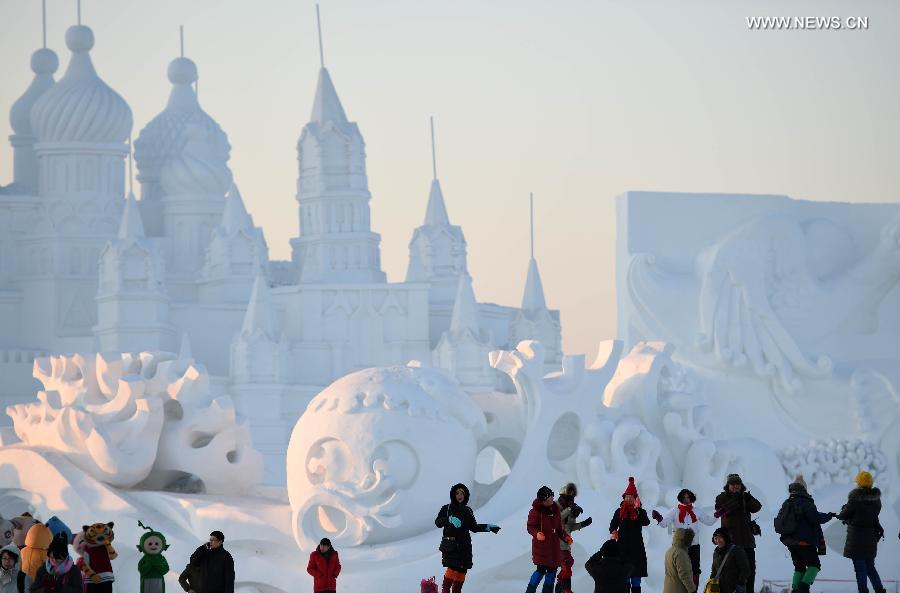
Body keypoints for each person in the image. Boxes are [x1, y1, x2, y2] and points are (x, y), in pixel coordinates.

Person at [434, 483, 500, 593]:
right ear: (453, 495)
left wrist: (487, 527)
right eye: (457, 493)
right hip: (451, 547)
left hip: (465, 548)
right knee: (449, 577)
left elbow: (474, 527)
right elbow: (438, 522)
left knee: (461, 574)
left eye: (462, 493)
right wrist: (449, 519)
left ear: (466, 495)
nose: (460, 495)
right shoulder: (446, 508)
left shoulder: (468, 510)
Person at [774, 477, 833, 593]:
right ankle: (804, 588)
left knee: (799, 568)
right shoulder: (806, 501)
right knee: (814, 565)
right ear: (804, 488)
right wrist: (828, 516)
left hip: (791, 542)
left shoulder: (787, 502)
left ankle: (795, 589)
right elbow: (815, 518)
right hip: (805, 542)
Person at [652, 489, 716, 589]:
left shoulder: (696, 511)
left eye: (688, 497)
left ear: (692, 498)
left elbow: (709, 521)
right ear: (680, 498)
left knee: (695, 569)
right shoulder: (674, 511)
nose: (686, 499)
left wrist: (718, 514)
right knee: (680, 569)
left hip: (694, 545)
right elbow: (664, 524)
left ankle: (694, 589)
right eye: (684, 497)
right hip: (679, 547)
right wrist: (659, 518)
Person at [836, 471, 886, 593]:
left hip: (856, 539)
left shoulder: (855, 498)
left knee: (860, 569)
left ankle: (863, 591)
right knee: (870, 568)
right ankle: (880, 590)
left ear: (859, 483)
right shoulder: (876, 500)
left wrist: (844, 509)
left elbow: (843, 515)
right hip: (870, 538)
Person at [714, 474, 761, 593]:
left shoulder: (745, 497)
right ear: (728, 486)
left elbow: (757, 507)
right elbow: (720, 510)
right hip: (731, 544)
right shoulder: (722, 497)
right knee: (731, 573)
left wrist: (748, 499)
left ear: (741, 485)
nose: (735, 486)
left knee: (749, 572)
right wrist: (735, 499)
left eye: (737, 484)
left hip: (747, 543)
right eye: (732, 484)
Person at [526, 486, 570, 593]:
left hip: (554, 548)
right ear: (543, 500)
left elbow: (559, 528)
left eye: (551, 497)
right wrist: (537, 534)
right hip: (541, 548)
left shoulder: (555, 510)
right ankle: (530, 591)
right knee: (540, 571)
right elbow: (530, 526)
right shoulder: (536, 511)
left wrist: (565, 537)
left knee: (552, 572)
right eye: (548, 498)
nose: (551, 500)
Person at [609, 477, 650, 593]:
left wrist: (638, 510)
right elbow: (613, 524)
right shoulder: (619, 512)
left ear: (635, 499)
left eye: (631, 497)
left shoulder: (640, 512)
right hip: (622, 549)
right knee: (624, 579)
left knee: (636, 580)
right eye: (627, 497)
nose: (628, 499)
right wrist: (613, 531)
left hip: (637, 550)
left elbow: (646, 522)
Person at [557, 483, 593, 593]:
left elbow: (570, 527)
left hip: (565, 544)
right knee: (567, 562)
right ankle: (566, 589)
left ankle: (560, 587)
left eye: (572, 496)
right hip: (556, 543)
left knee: (568, 563)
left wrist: (583, 523)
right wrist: (569, 509)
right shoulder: (555, 506)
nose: (571, 497)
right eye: (569, 495)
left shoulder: (571, 507)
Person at [709, 528, 750, 593]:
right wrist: (712, 583)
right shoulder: (716, 553)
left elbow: (745, 570)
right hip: (720, 589)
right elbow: (714, 571)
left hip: (734, 589)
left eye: (720, 538)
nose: (718, 540)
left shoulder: (737, 550)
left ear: (726, 538)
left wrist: (739, 585)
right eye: (715, 538)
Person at [663, 528, 696, 593]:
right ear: (685, 540)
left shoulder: (670, 551)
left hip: (668, 588)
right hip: (678, 589)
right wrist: (692, 590)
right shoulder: (680, 553)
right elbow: (684, 574)